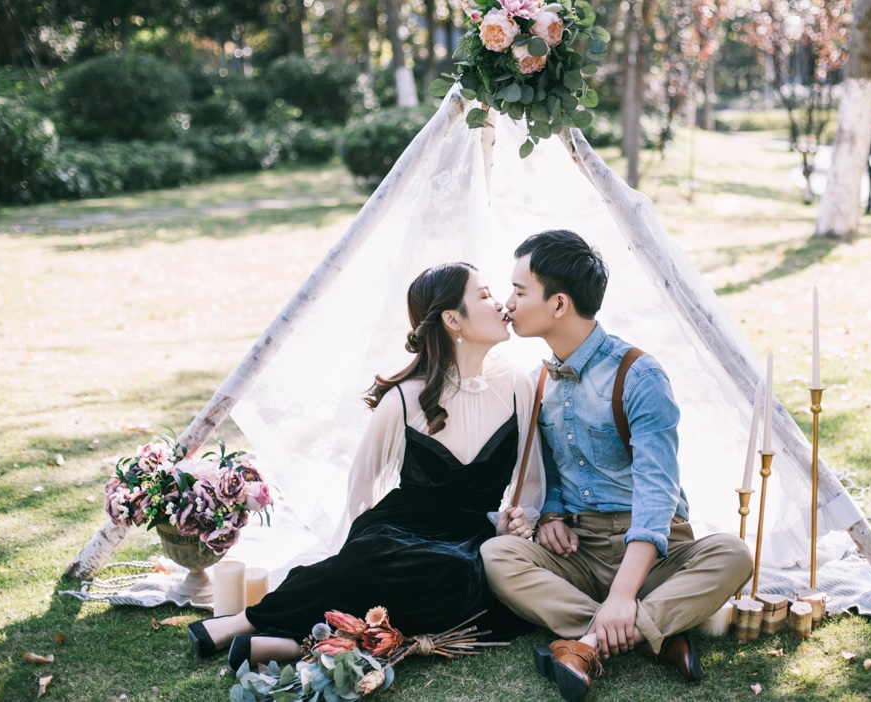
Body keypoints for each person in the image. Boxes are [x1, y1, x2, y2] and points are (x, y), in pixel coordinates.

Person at [188, 263, 543, 669]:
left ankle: (291, 645)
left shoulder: (518, 386)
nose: (500, 304)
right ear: (452, 319)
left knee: (455, 574)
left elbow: (531, 483)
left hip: (468, 540)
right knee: (371, 562)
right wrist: (350, 557)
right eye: (484, 295)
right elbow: (362, 489)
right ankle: (244, 623)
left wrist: (516, 523)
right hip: (399, 530)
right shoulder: (404, 400)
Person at [481, 230, 754, 702]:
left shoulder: (640, 375)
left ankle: (588, 643)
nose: (508, 303)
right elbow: (550, 470)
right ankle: (652, 634)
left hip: (655, 552)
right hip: (580, 552)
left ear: (559, 303)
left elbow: (657, 493)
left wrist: (624, 593)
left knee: (734, 553)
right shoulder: (537, 381)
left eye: (519, 292)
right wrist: (551, 514)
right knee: (496, 556)